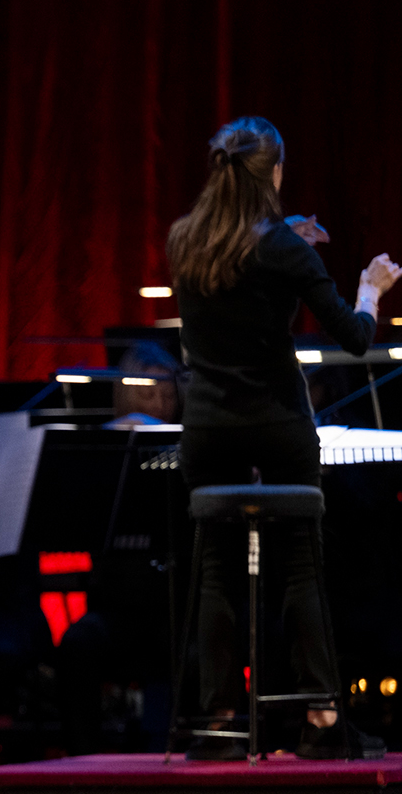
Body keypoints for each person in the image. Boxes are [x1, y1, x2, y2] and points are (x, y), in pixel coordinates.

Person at [167, 116, 396, 760]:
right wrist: (369, 289)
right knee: (299, 563)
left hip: (208, 429)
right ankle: (321, 719)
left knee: (216, 567)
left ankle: (217, 722)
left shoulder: (186, 241)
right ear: (275, 172)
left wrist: (289, 246)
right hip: (275, 425)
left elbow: (241, 263)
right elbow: (354, 336)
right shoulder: (285, 249)